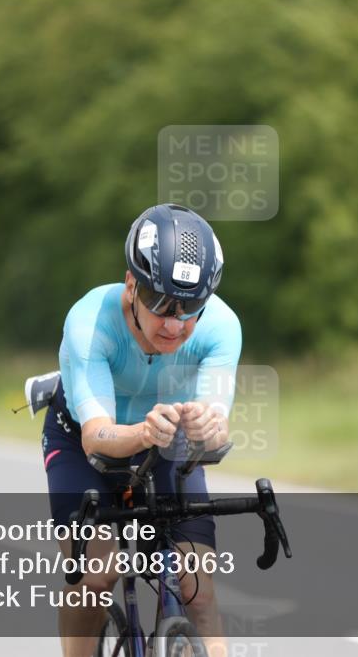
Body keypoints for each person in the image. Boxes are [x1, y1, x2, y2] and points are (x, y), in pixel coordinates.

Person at [41, 203, 241, 656]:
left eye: (190, 307)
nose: (175, 323)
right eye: (161, 303)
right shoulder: (90, 322)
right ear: (131, 285)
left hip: (167, 440)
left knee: (199, 590)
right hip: (82, 441)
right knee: (98, 573)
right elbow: (97, 437)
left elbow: (216, 424)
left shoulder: (222, 327)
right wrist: (144, 433)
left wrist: (210, 426)